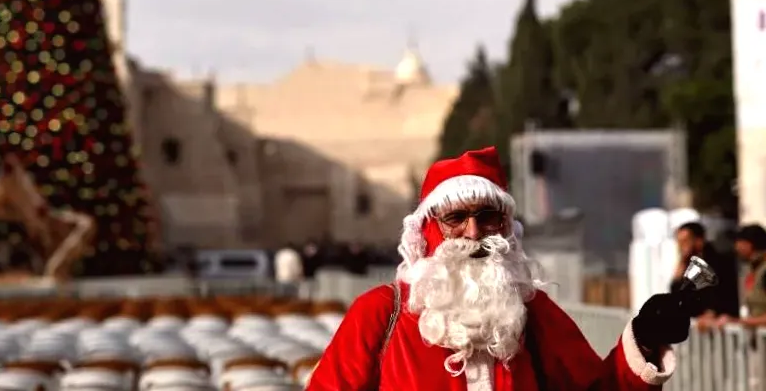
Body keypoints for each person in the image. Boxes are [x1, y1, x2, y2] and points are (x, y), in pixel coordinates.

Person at [307, 147, 691, 391]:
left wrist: (642, 340)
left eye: (487, 216)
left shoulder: (533, 314)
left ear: (505, 225)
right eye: (455, 218)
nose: (473, 233)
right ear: (429, 228)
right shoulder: (380, 314)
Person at [670, 221, 740, 329]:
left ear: (699, 240)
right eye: (679, 242)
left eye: (685, 241)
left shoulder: (718, 260)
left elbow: (720, 291)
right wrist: (681, 264)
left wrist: (711, 312)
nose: (681, 246)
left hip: (721, 325)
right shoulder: (688, 264)